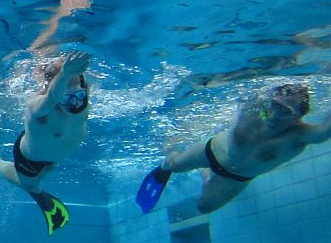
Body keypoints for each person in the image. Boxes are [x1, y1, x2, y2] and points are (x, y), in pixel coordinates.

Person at [136, 83, 331, 214]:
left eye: (286, 111)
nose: (274, 115)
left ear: (300, 115)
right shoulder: (251, 108)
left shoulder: (300, 135)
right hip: (211, 151)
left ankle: (206, 176)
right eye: (274, 105)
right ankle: (166, 162)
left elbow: (325, 131)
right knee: (174, 165)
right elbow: (242, 82)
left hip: (236, 178)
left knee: (205, 208)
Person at [0, 51, 90, 236]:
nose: (75, 103)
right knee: (26, 184)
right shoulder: (36, 107)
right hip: (30, 159)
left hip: (51, 153)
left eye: (79, 95)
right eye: (67, 98)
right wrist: (66, 73)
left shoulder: (79, 90)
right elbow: (51, 98)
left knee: (35, 181)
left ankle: (36, 184)